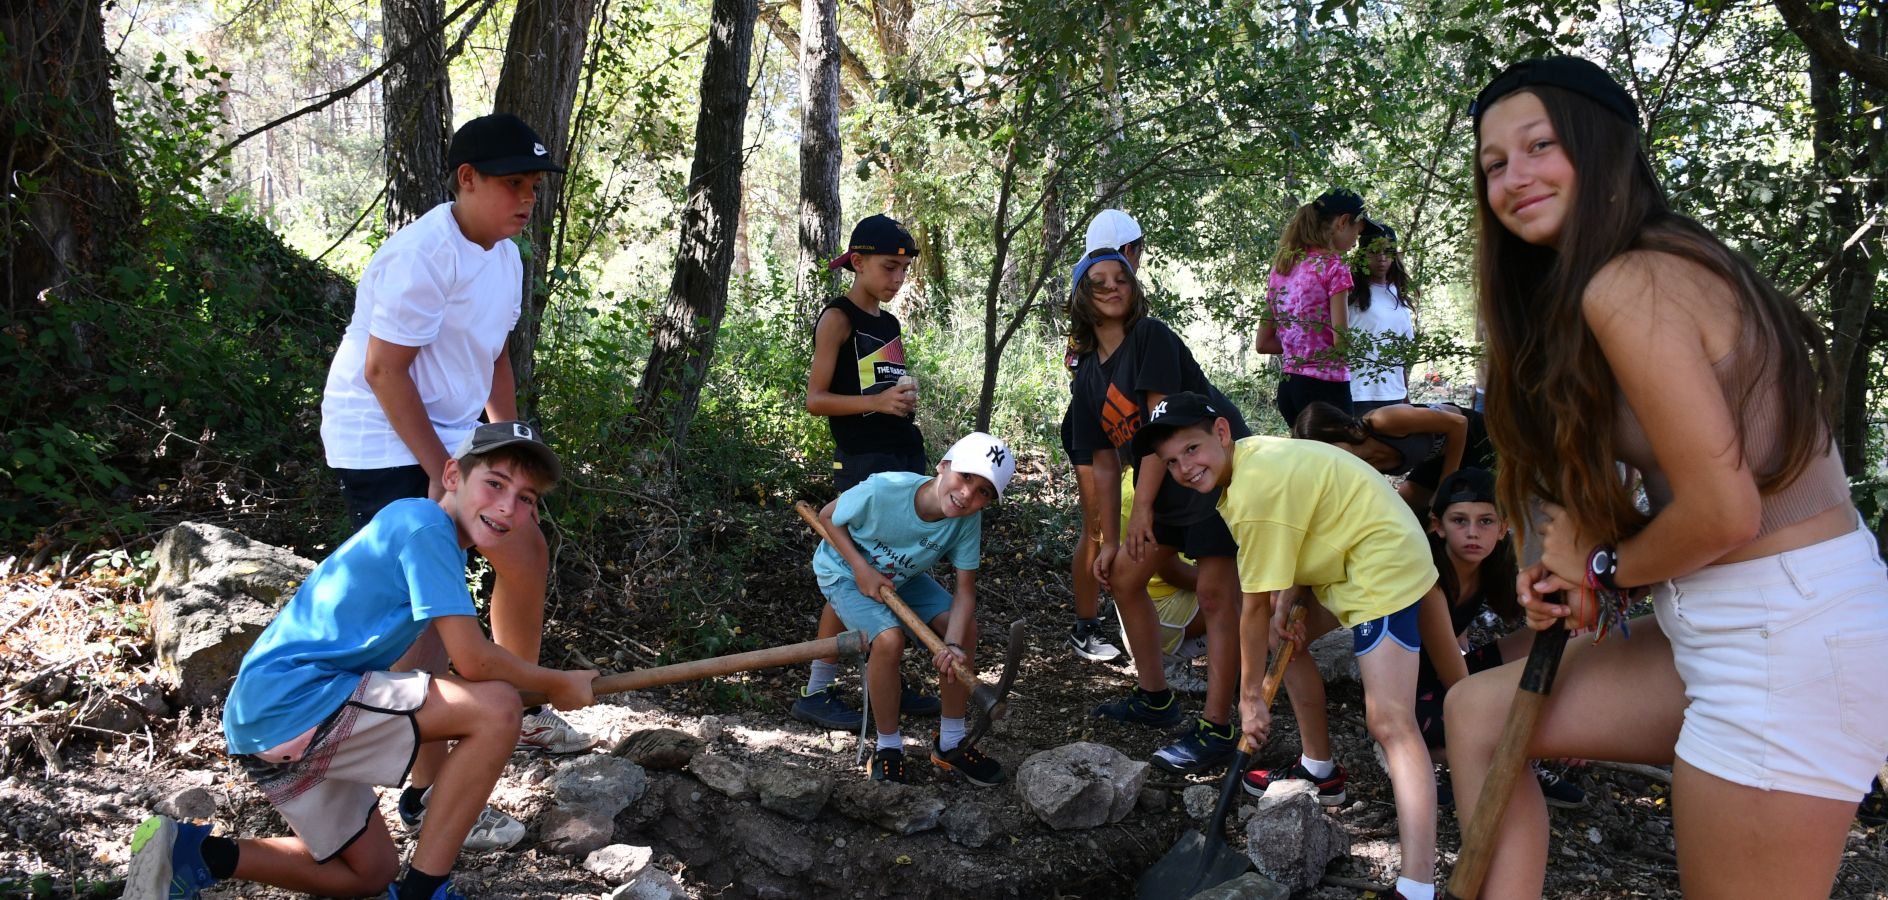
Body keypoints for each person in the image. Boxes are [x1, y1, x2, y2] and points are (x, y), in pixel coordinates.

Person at [1445, 56, 1888, 898]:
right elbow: (1626, 504)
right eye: (1494, 163)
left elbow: (1725, 513)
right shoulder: (1617, 281)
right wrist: (1572, 570)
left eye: (1540, 145)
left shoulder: (1633, 281)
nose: (1514, 177)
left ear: (1600, 147)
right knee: (1477, 713)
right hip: (1732, 623)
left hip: (1787, 635)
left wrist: (1606, 569)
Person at [125, 423, 598, 900]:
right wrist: (556, 683)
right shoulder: (426, 528)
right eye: (494, 483)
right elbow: (475, 662)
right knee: (497, 708)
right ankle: (425, 892)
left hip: (264, 720)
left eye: (526, 498)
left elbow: (433, 665)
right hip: (299, 700)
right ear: (453, 475)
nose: (506, 506)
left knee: (368, 873)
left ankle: (193, 854)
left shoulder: (423, 532)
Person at [316, 113, 591, 843]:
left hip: (454, 438)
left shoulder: (504, 253)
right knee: (425, 624)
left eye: (533, 186)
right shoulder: (421, 256)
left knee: (523, 548)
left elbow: (494, 355)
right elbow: (383, 371)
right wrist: (444, 470)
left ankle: (506, 704)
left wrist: (508, 442)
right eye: (511, 185)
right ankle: (381, 776)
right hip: (380, 435)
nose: (526, 199)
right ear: (466, 180)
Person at [1139, 392, 1441, 900]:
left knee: (1390, 722)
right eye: (1171, 461)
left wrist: (1251, 699)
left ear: (1220, 432)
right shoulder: (1251, 468)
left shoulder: (1255, 488)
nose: (1184, 467)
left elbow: (1250, 608)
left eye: (1191, 449)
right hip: (1347, 555)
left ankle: (1417, 886)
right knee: (1287, 639)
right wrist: (1289, 602)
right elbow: (1311, 518)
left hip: (1381, 563)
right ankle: (1320, 771)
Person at [1064, 249, 1254, 775]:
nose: (1111, 287)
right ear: (1081, 296)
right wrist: (1106, 539)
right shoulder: (1085, 376)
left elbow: (1160, 430)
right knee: (1124, 578)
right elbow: (1103, 464)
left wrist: (1142, 509)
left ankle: (1218, 727)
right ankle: (1155, 698)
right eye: (1097, 281)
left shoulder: (1150, 337)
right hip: (1164, 483)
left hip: (1208, 470)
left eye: (1120, 278)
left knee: (1216, 596)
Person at [792, 214, 940, 731]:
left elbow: (880, 388)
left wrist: (897, 401)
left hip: (901, 457)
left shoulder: (888, 324)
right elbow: (816, 400)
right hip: (864, 461)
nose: (897, 278)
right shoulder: (839, 318)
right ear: (857, 263)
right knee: (853, 574)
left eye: (903, 269)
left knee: (892, 568)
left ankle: (889, 678)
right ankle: (818, 688)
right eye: (887, 267)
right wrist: (876, 401)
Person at [808, 431, 1017, 786]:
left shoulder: (966, 519)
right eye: (965, 476)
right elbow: (828, 516)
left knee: (963, 626)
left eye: (983, 491)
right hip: (843, 570)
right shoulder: (886, 489)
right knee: (889, 640)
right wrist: (862, 570)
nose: (968, 494)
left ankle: (950, 742)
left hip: (900, 576)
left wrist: (951, 645)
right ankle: (888, 746)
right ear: (943, 466)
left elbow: (966, 592)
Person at [1413, 468, 1584, 809]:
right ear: (1438, 526)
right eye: (1459, 520)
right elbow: (1462, 689)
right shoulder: (1427, 580)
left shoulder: (1494, 566)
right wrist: (1554, 727)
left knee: (1564, 632)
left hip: (1452, 681)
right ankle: (1432, 752)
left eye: (1486, 521)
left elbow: (1553, 613)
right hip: (1415, 700)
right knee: (1488, 728)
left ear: (1504, 527)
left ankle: (1525, 748)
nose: (1473, 533)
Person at [1061, 209, 1148, 664]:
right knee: (1096, 526)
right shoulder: (1095, 295)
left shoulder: (1110, 293)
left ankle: (1123, 612)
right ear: (1130, 249)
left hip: (1115, 420)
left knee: (1111, 521)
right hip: (1091, 422)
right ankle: (1085, 625)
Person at [1257, 188, 1369, 427]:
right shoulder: (1333, 267)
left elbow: (1263, 343)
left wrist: (1300, 349)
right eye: (1356, 234)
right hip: (1326, 390)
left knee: (1306, 461)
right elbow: (1341, 343)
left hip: (1289, 389)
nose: (1354, 242)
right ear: (1342, 222)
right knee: (1338, 462)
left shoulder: (1281, 268)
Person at [1291, 400, 1490, 511]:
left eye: (1329, 448)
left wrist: (1445, 487)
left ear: (1339, 430)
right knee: (1405, 511)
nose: (1330, 458)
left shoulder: (1383, 421)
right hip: (1435, 457)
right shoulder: (1354, 463)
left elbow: (1459, 424)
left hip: (1476, 436)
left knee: (1454, 510)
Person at [1119, 470, 1210, 694]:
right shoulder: (1151, 493)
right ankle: (1169, 661)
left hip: (1138, 612)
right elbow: (1172, 572)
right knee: (1263, 602)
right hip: (1161, 615)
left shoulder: (1127, 481)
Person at [1348, 221, 1415, 415]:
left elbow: (1401, 352)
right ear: (1362, 255)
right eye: (1374, 252)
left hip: (1394, 394)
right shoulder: (1350, 294)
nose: (1382, 258)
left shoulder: (1399, 295)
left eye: (1388, 251)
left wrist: (1405, 393)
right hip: (1359, 395)